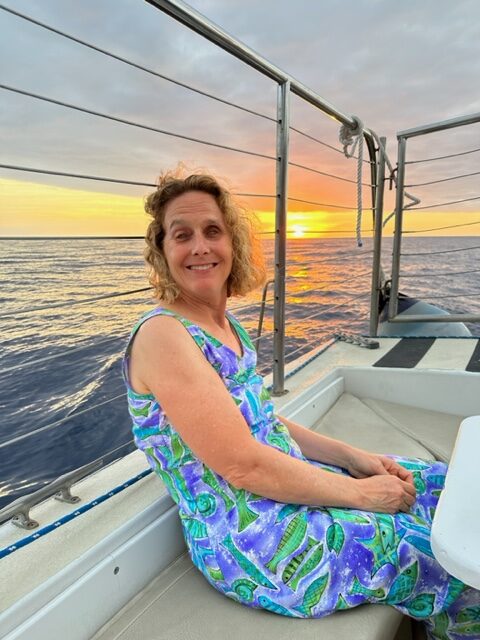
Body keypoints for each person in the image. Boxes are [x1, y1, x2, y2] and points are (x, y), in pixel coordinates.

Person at [123, 169, 479, 638]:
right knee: (427, 549)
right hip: (253, 537)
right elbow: (243, 466)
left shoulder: (223, 327)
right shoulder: (163, 335)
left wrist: (357, 459)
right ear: (163, 251)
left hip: (283, 488)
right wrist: (360, 494)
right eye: (181, 234)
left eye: (213, 230)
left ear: (233, 243)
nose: (200, 247)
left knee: (437, 482)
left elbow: (265, 424)